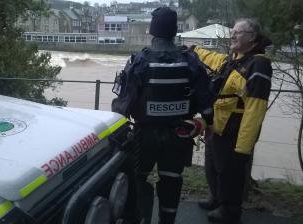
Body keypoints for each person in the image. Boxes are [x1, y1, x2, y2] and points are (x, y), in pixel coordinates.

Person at [111, 7, 214, 224]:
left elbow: (123, 103)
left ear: (152, 30)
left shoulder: (140, 60)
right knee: (172, 180)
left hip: (144, 135)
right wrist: (207, 123)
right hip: (180, 134)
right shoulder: (191, 60)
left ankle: (142, 218)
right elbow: (206, 101)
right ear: (175, 30)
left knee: (137, 178)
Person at [194, 18, 273, 223]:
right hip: (217, 126)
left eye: (239, 32)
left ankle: (229, 210)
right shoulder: (234, 58)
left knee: (229, 173)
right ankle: (216, 198)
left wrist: (243, 147)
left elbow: (255, 110)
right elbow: (213, 58)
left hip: (234, 130)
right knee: (212, 167)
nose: (233, 35)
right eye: (233, 31)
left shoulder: (259, 65)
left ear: (252, 38)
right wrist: (193, 50)